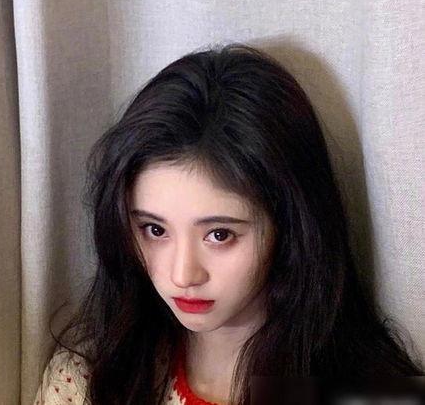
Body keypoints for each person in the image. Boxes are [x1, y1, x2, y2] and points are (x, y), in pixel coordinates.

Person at [33, 43, 423, 405]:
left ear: (291, 226)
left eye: (219, 235)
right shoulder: (86, 381)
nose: (183, 274)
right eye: (155, 230)